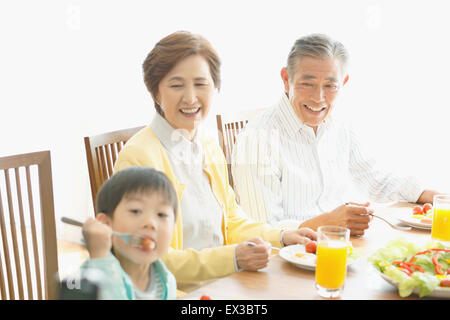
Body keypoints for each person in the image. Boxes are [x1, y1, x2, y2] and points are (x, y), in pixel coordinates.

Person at [113, 31, 317, 286]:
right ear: (156, 93)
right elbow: (151, 259)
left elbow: (231, 221)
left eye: (201, 84)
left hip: (225, 285)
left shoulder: (208, 144)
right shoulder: (138, 157)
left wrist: (283, 236)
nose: (190, 97)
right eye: (176, 85)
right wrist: (232, 258)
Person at [231, 33, 441, 236]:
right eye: (307, 84)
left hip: (340, 246)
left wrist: (429, 195)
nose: (318, 98)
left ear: (344, 83)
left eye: (330, 85)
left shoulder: (340, 124)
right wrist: (325, 224)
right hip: (287, 261)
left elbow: (374, 179)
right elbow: (261, 228)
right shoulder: (256, 139)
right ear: (286, 79)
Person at [79, 166, 178, 299]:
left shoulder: (167, 281)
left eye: (161, 214)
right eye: (136, 211)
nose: (150, 223)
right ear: (106, 224)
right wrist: (100, 256)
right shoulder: (91, 275)